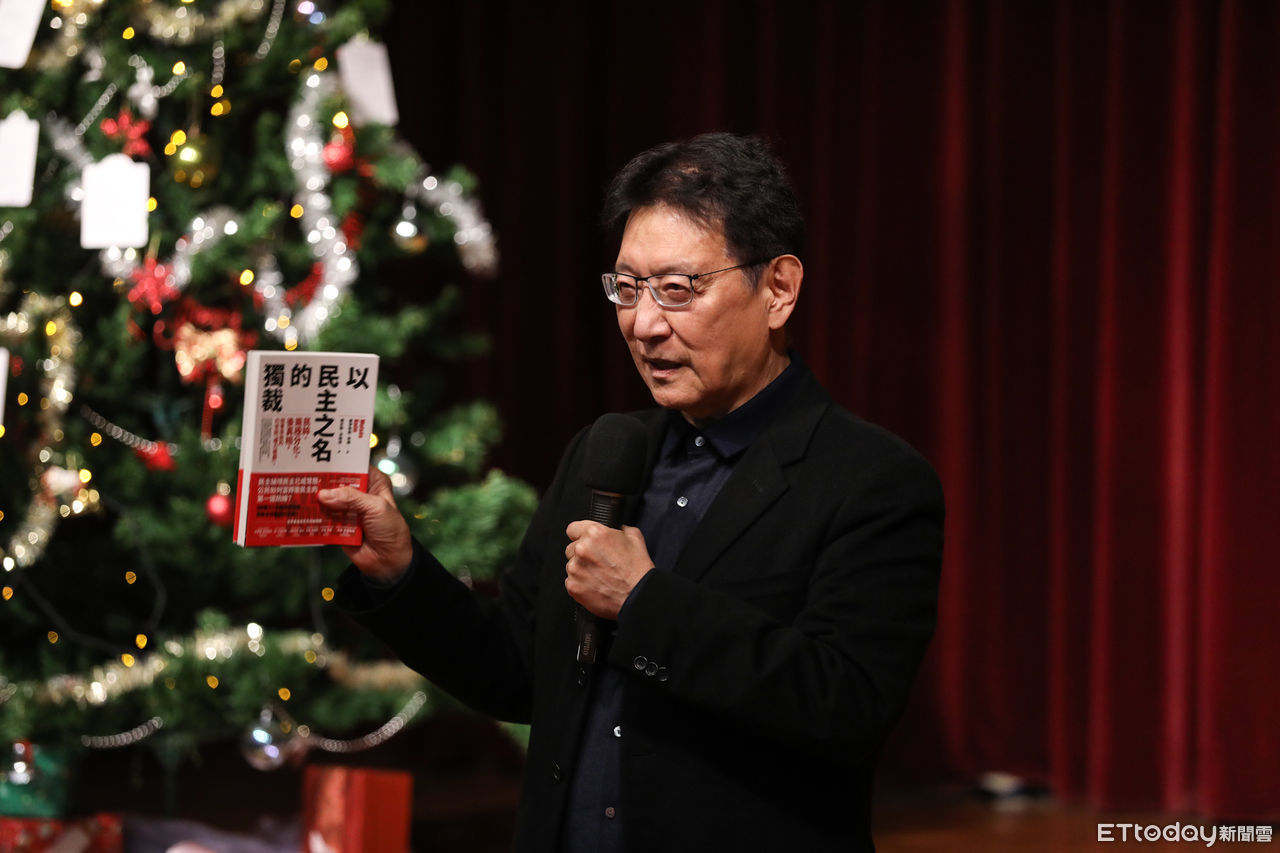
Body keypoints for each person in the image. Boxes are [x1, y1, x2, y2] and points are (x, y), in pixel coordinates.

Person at [318, 131, 944, 853]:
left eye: (678, 290)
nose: (644, 325)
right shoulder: (606, 454)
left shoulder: (871, 479)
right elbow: (518, 671)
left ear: (778, 289)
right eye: (627, 288)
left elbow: (845, 706)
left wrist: (644, 603)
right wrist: (399, 572)